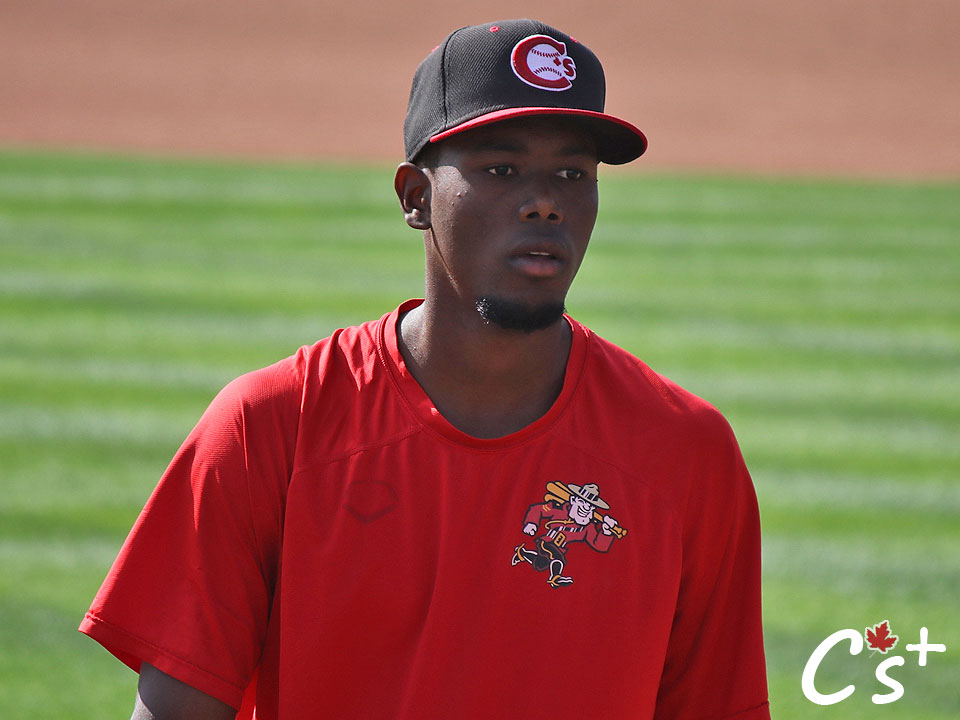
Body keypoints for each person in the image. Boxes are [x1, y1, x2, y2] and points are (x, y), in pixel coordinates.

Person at [80, 19, 770, 720]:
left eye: (572, 173)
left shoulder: (685, 452)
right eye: (501, 169)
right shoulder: (271, 427)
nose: (545, 201)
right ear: (415, 197)